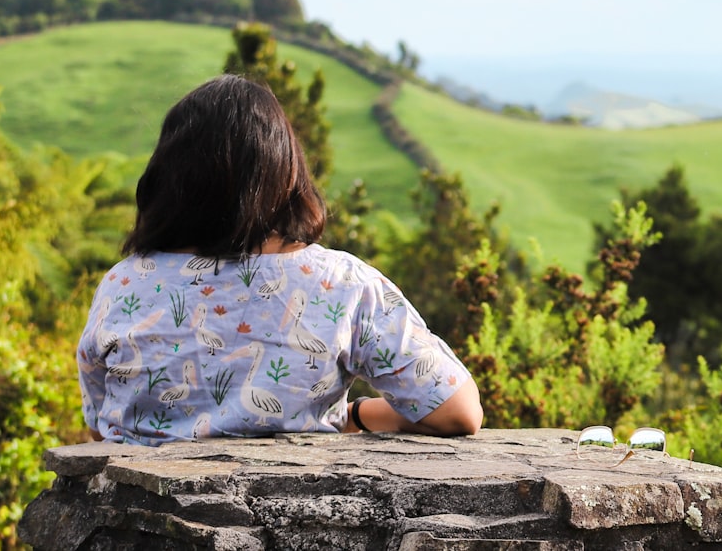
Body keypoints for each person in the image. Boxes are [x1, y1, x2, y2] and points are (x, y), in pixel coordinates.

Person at [77, 74, 483, 445]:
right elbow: (458, 412)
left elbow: (100, 424)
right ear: (285, 173)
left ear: (168, 177)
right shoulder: (341, 284)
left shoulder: (123, 283)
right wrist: (354, 414)